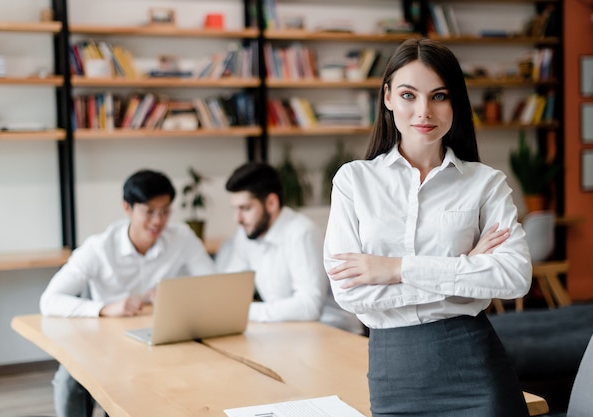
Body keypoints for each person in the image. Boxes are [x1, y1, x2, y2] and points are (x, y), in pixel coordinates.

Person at [323, 38, 532, 417]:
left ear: (456, 103)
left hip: (476, 371)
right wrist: (464, 269)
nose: (424, 111)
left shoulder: (485, 183)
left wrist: (394, 269)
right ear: (387, 97)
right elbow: (350, 295)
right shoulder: (353, 182)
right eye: (408, 95)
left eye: (439, 96)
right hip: (393, 375)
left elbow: (515, 278)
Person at [40, 169, 216, 417]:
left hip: (158, 335)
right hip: (104, 340)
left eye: (165, 211)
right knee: (70, 378)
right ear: (128, 208)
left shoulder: (182, 238)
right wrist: (103, 308)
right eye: (149, 211)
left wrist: (173, 296)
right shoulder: (98, 248)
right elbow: (49, 301)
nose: (158, 221)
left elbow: (213, 284)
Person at [215, 161, 363, 334]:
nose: (237, 219)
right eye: (235, 209)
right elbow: (229, 287)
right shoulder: (247, 233)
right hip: (288, 329)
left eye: (245, 208)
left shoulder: (301, 233)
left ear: (271, 203)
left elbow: (308, 306)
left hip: (333, 332)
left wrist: (246, 311)